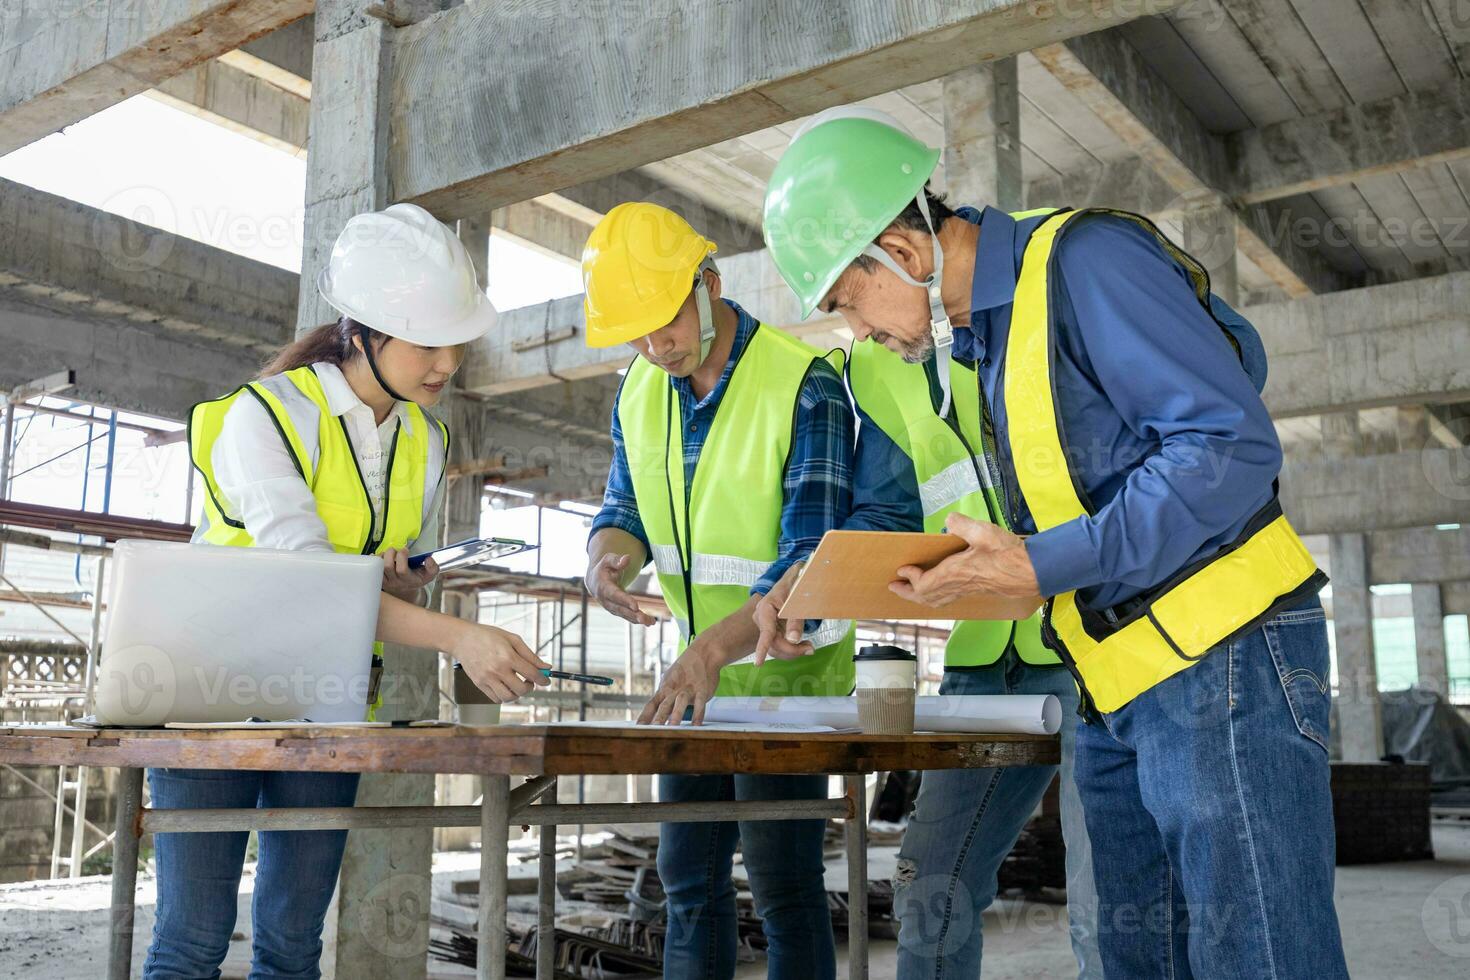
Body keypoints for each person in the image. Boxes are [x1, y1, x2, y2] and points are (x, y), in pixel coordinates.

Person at [757, 106, 1348, 978]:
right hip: (1113, 682)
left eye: (846, 300)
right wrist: (990, 573)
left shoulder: (1085, 259)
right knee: (1133, 956)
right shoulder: (980, 349)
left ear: (904, 251)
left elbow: (1229, 446)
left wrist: (1042, 563)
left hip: (1226, 663)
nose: (855, 330)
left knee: (1256, 955)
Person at [147, 203, 551, 979]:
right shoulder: (262, 417)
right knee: (192, 943)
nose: (445, 363)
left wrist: (395, 575)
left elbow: (353, 572)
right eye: (427, 343)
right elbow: (309, 576)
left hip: (326, 690)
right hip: (208, 691)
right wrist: (460, 637)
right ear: (363, 331)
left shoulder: (426, 438)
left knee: (296, 944)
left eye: (455, 345)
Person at [580, 202, 855, 980]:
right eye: (633, 333)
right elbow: (622, 511)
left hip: (785, 681)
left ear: (710, 282)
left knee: (783, 885)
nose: (652, 346)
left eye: (663, 323)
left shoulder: (805, 384)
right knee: (689, 884)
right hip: (693, 684)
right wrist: (605, 562)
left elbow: (811, 554)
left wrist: (712, 650)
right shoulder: (637, 390)